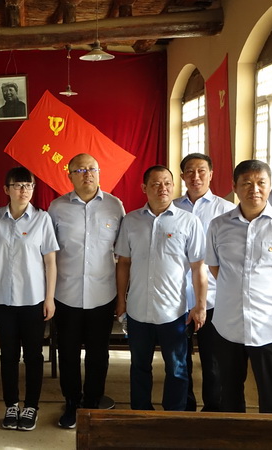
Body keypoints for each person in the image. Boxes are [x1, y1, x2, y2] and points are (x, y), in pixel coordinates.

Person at [206, 160, 272, 413]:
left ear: (269, 185)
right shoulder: (219, 225)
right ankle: (233, 431)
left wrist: (268, 290)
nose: (254, 189)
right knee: (229, 392)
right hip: (228, 324)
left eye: (261, 183)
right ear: (235, 187)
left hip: (269, 325)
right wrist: (238, 287)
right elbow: (215, 267)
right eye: (246, 183)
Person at [115, 165, 207, 412]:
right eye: (155, 184)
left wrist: (200, 305)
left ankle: (174, 417)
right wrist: (121, 301)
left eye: (167, 183)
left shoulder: (189, 222)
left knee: (177, 368)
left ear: (174, 186)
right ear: (144, 188)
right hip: (138, 311)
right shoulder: (131, 221)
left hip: (173, 312)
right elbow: (124, 263)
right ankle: (141, 413)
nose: (162, 188)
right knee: (139, 366)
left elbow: (198, 267)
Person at [48, 153, 125, 428]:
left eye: (91, 169)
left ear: (99, 172)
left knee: (98, 354)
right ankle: (72, 402)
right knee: (67, 353)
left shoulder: (115, 206)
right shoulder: (56, 208)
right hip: (66, 294)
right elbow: (48, 253)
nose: (87, 174)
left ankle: (92, 402)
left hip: (102, 295)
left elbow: (123, 254)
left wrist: (121, 297)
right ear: (69, 175)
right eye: (80, 170)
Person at [0, 167, 59, 431]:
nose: (23, 190)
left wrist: (50, 298)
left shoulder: (42, 219)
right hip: (2, 299)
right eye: (18, 185)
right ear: (6, 189)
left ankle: (31, 406)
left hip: (33, 299)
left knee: (34, 355)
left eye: (28, 185)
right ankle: (11, 404)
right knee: (8, 355)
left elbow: (50, 261)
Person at [173, 153, 235, 412]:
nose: (195, 177)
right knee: (180, 360)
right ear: (182, 176)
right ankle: (184, 407)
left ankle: (213, 409)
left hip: (214, 298)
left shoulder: (226, 210)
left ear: (211, 174)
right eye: (189, 171)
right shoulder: (172, 208)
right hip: (177, 297)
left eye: (201, 171)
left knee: (213, 359)